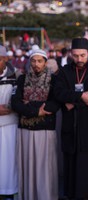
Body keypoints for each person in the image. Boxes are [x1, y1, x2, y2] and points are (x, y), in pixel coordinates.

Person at [54, 38, 88, 199]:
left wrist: (74, 103)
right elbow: (59, 93)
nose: (79, 59)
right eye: (76, 56)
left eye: (83, 55)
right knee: (72, 165)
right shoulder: (64, 71)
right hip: (71, 126)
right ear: (71, 54)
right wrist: (82, 96)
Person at [11, 49, 60, 200]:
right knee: (28, 168)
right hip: (25, 130)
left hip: (45, 131)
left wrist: (30, 104)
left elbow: (55, 103)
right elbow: (15, 103)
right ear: (30, 62)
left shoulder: (54, 80)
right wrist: (37, 111)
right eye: (33, 61)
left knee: (44, 169)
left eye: (40, 61)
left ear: (45, 62)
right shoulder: (22, 79)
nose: (36, 64)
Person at [0, 45, 18, 199]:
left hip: (10, 126)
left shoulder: (16, 76)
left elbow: (21, 98)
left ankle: (8, 194)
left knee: (8, 164)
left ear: (5, 59)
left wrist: (11, 106)